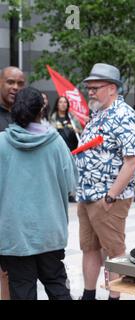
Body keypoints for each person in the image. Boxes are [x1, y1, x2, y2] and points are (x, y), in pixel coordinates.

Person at [0, 87, 77, 300]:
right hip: (50, 232)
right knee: (57, 286)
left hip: (14, 235)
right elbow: (71, 183)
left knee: (22, 291)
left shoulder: (1, 144)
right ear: (41, 110)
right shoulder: (56, 143)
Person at [75, 63, 135, 300]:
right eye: (88, 88)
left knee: (114, 252)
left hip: (109, 199)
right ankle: (88, 295)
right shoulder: (98, 114)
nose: (90, 92)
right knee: (89, 248)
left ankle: (114, 298)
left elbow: (131, 162)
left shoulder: (124, 115)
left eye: (95, 87)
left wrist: (111, 196)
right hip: (87, 195)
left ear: (112, 88)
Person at [0, 66, 25, 301]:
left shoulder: (25, 117)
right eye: (10, 82)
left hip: (16, 208)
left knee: (8, 271)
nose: (15, 88)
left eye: (20, 83)